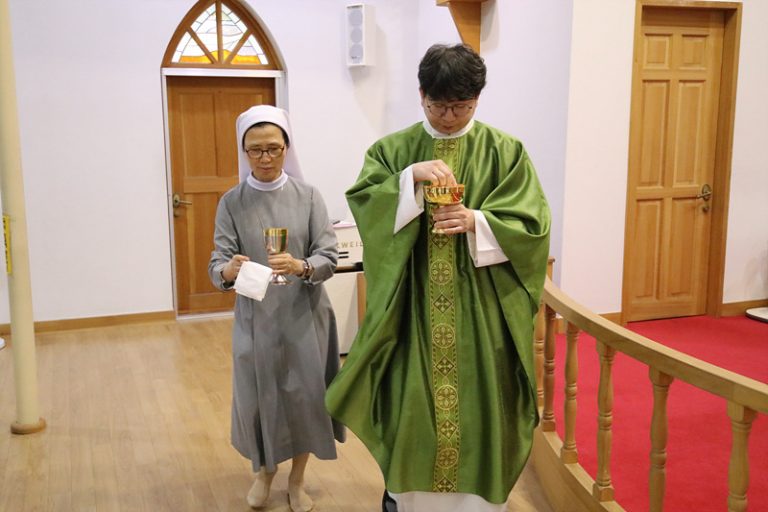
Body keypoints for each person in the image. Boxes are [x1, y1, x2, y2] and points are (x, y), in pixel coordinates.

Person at [325, 44, 551, 512]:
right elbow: (365, 206)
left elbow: (533, 227)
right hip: (412, 309)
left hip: (481, 311)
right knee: (413, 409)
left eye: (461, 107)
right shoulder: (392, 151)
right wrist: (409, 179)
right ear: (421, 95)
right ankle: (409, 501)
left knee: (482, 409)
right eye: (438, 106)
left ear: (477, 99)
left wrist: (478, 222)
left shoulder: (505, 151)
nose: (449, 117)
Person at [208, 105, 344, 512]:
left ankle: (296, 480)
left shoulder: (308, 196)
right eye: (255, 150)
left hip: (305, 316)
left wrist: (301, 265)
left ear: (287, 148)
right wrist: (229, 269)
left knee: (305, 399)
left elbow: (328, 255)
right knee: (258, 398)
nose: (265, 158)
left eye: (273, 148)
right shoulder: (232, 202)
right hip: (256, 319)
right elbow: (218, 263)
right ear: (244, 151)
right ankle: (264, 472)